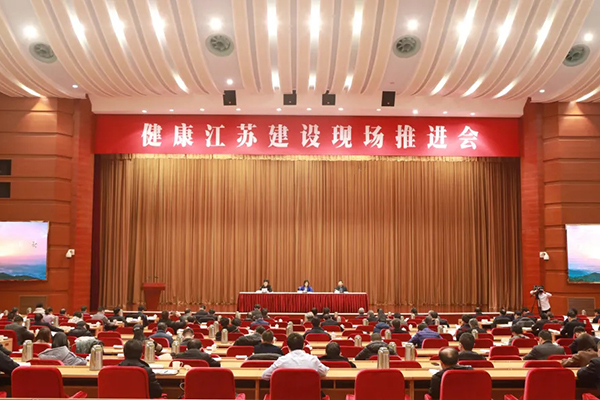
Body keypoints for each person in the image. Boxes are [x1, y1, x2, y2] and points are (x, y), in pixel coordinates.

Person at [261, 333, 328, 380]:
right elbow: (324, 372)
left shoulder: (281, 361)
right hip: (308, 394)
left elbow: (264, 376)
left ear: (288, 347)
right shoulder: (313, 360)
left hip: (286, 394)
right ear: (304, 345)